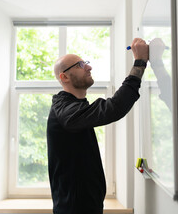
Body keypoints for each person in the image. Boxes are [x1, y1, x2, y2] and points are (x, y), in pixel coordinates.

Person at [47, 38, 149, 214]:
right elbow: (113, 108)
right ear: (64, 76)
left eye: (85, 62)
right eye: (80, 65)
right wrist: (139, 63)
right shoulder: (66, 110)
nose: (89, 67)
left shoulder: (73, 108)